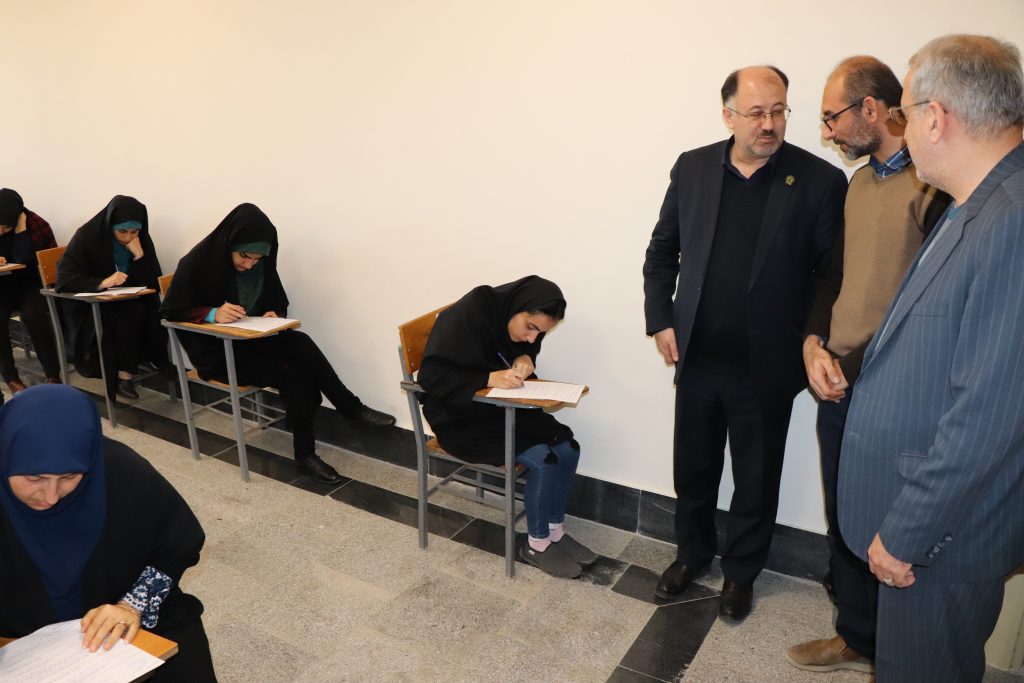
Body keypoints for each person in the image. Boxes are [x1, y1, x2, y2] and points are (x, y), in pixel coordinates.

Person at [838, 35, 1024, 683]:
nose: (904, 129)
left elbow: (989, 416)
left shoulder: (1012, 220)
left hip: (940, 539)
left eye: (906, 113)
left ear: (936, 117)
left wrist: (908, 534)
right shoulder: (977, 202)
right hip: (928, 526)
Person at [642, 65, 846, 622]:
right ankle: (691, 555)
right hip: (699, 356)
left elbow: (830, 275)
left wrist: (813, 339)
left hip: (768, 365)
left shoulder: (820, 181)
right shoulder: (693, 168)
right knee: (694, 469)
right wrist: (661, 320)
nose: (769, 123)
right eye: (757, 113)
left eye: (779, 111)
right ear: (728, 115)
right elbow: (662, 252)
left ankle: (741, 574)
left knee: (756, 479)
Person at [785, 57, 951, 675]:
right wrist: (813, 343)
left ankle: (896, 653)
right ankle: (856, 635)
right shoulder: (856, 185)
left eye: (832, 118)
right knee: (844, 515)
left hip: (895, 387)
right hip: (838, 379)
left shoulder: (934, 187)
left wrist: (848, 363)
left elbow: (926, 306)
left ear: (872, 110)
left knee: (892, 525)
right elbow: (834, 274)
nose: (827, 132)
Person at [160, 203, 395, 485]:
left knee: (299, 355)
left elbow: (277, 299)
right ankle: (345, 413)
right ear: (228, 243)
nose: (250, 265)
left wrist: (274, 313)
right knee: (298, 368)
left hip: (254, 343)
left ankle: (309, 452)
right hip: (219, 353)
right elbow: (171, 310)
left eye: (257, 259)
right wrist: (212, 314)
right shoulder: (196, 264)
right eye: (244, 256)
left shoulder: (261, 266)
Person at [0, 384, 216, 681]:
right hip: (17, 639)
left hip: (120, 616)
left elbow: (178, 543)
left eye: (69, 476)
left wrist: (131, 605)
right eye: (35, 478)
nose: (51, 496)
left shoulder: (120, 472)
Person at [417, 276, 596, 579]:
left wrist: (525, 357)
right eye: (530, 328)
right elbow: (431, 376)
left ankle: (555, 531)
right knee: (544, 460)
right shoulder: (469, 315)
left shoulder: (519, 322)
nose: (532, 337)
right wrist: (488, 378)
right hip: (459, 417)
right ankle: (536, 545)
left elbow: (520, 348)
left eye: (540, 333)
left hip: (499, 408)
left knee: (568, 448)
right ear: (517, 307)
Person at [55, 195, 170, 399]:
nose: (128, 237)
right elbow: (64, 279)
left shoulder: (140, 240)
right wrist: (102, 282)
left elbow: (152, 282)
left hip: (125, 299)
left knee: (151, 310)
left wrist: (139, 256)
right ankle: (124, 376)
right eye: (122, 231)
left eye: (134, 232)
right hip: (89, 304)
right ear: (109, 225)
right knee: (132, 312)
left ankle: (146, 363)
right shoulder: (87, 236)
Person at [0, 188, 62, 396]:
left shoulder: (37, 225)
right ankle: (10, 377)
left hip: (31, 285)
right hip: (1, 288)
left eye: (6, 227)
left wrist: (20, 232)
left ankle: (53, 374)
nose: (1, 231)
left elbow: (24, 259)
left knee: (35, 315)